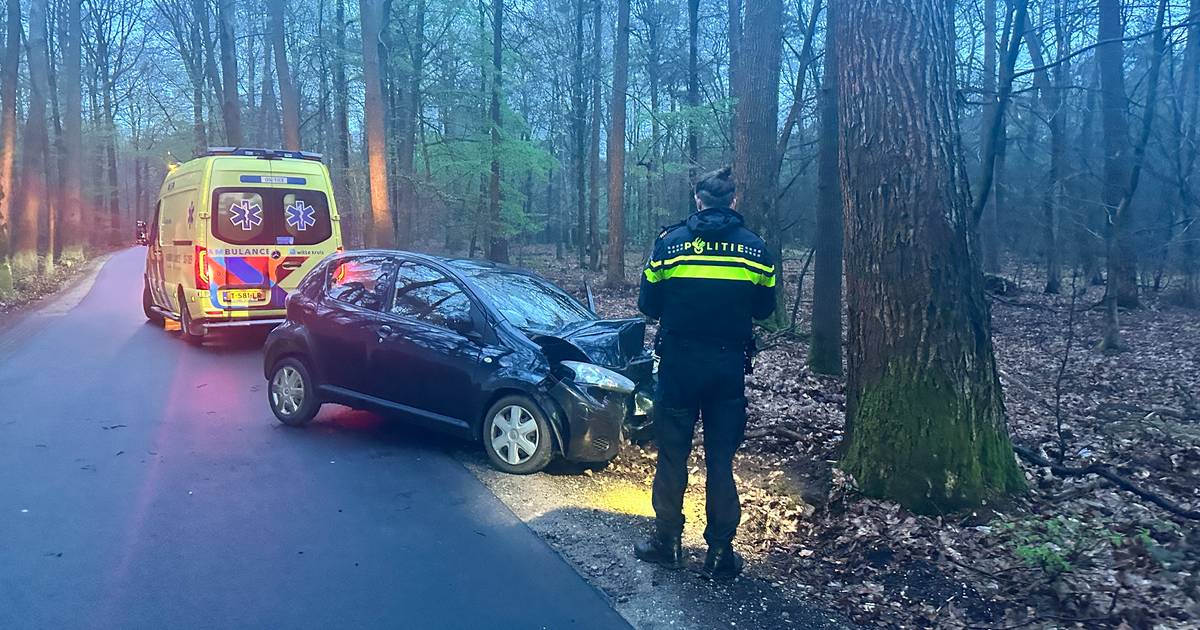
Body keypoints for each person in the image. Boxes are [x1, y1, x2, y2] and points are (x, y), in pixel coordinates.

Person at [634, 166, 777, 580]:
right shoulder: (755, 249)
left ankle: (668, 543)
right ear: (733, 201)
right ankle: (719, 553)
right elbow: (765, 309)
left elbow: (648, 305)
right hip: (726, 368)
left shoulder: (670, 245)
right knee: (720, 459)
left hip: (679, 365)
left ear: (698, 201)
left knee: (672, 455)